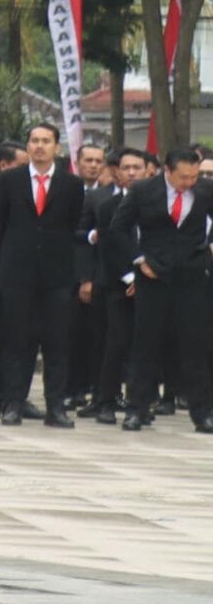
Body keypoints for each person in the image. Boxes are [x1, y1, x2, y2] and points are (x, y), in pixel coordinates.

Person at [107, 142, 211, 432]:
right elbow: (118, 228)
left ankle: (201, 412)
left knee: (195, 346)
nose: (189, 182)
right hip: (153, 277)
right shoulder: (143, 191)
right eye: (183, 177)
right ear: (167, 171)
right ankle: (137, 409)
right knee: (146, 345)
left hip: (191, 277)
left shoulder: (204, 191)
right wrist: (139, 259)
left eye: (194, 176)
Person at [0, 121, 81, 427]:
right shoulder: (9, 181)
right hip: (16, 274)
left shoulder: (72, 185)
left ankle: (56, 407)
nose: (40, 146)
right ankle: (13, 403)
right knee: (17, 341)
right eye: (34, 140)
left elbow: (73, 228)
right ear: (27, 146)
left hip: (57, 276)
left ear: (57, 147)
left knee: (57, 343)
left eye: (46, 141)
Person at [84, 146, 151, 421]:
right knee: (115, 343)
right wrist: (131, 277)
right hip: (116, 284)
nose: (132, 173)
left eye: (138, 167)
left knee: (145, 346)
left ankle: (140, 404)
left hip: (152, 284)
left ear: (147, 171)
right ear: (117, 171)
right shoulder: (107, 205)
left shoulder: (158, 204)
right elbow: (108, 247)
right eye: (127, 168)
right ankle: (106, 401)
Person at [69, 140, 110, 410]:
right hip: (65, 272)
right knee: (67, 335)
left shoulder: (108, 196)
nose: (93, 165)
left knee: (94, 335)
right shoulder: (65, 190)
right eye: (88, 160)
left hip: (98, 274)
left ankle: (92, 389)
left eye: (98, 161)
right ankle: (70, 389)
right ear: (78, 162)